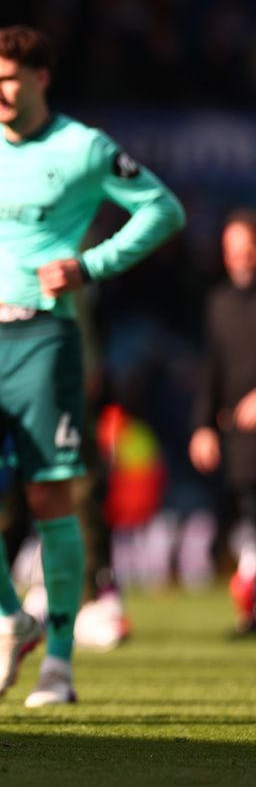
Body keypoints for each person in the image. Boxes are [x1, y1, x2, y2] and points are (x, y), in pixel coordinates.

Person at [0, 25, 185, 706]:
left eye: (11, 79)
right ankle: (14, 618)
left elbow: (164, 209)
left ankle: (60, 664)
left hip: (44, 339)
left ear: (43, 77)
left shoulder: (84, 147)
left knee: (50, 501)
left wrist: (90, 265)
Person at [189, 210, 256, 636]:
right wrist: (202, 427)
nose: (241, 258)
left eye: (247, 249)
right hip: (239, 437)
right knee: (246, 518)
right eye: (232, 251)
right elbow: (210, 371)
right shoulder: (218, 303)